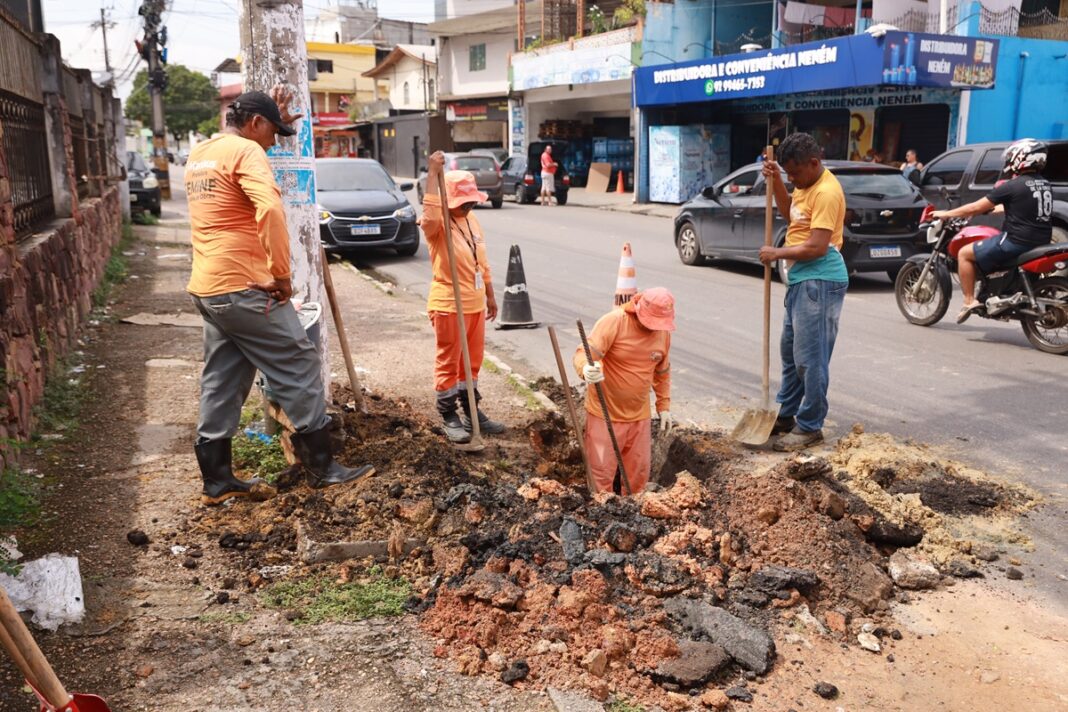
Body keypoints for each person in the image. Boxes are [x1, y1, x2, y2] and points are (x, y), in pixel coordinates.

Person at [185, 87, 373, 505]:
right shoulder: (247, 152)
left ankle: (216, 479)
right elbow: (270, 209)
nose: (274, 143)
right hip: (245, 286)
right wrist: (282, 275)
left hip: (209, 287)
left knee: (223, 376)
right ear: (255, 123)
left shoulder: (201, 154)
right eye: (273, 132)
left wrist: (271, 114)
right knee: (299, 359)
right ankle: (322, 467)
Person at [757, 132, 849, 452]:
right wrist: (777, 183)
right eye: (788, 173)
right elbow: (791, 216)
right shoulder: (805, 185)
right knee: (790, 352)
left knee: (811, 359)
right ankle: (786, 413)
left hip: (820, 280)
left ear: (813, 162)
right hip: (801, 279)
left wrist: (776, 253)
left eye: (794, 173)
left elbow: (817, 246)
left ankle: (810, 425)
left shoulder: (826, 192)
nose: (792, 179)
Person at [419, 150, 504, 443]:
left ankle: (471, 410)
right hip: (448, 304)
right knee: (450, 361)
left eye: (471, 201)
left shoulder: (473, 221)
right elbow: (430, 213)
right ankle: (448, 414)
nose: (468, 206)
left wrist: (490, 295)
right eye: (462, 202)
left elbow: (483, 262)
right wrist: (433, 173)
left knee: (472, 362)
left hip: (475, 303)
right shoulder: (438, 224)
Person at [932, 138, 1052, 323]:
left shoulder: (1011, 185)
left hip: (1016, 241)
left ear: (1021, 158)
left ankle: (969, 301)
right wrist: (993, 209)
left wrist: (946, 214)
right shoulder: (1044, 183)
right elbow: (1020, 205)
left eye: (1011, 157)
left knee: (964, 253)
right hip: (1040, 240)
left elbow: (974, 207)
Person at [574, 288, 675, 494]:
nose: (654, 328)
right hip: (605, 414)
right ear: (639, 310)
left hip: (639, 417)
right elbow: (584, 353)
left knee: (638, 475)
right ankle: (601, 510)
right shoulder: (614, 322)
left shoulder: (663, 333)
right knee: (601, 473)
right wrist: (586, 368)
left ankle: (634, 510)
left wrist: (663, 406)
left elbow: (662, 373)